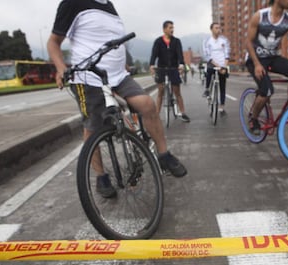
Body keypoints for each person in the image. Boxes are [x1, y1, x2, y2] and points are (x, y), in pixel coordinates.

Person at [47, 0, 187, 198]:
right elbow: (53, 42)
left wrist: (124, 63)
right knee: (93, 127)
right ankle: (101, 176)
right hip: (88, 77)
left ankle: (163, 155)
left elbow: (114, 40)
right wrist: (61, 69)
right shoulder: (73, 3)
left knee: (147, 105)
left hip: (118, 76)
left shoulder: (109, 5)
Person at [245, 0, 288, 134]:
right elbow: (248, 42)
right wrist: (256, 64)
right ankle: (253, 118)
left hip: (273, 58)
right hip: (255, 59)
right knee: (267, 91)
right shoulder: (259, 16)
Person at [149, 21, 190, 123]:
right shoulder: (158, 41)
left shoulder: (176, 41)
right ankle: (156, 116)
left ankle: (183, 112)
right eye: (170, 28)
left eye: (173, 28)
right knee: (160, 92)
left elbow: (180, 54)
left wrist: (181, 64)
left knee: (177, 92)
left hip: (173, 68)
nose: (172, 30)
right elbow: (154, 54)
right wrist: (152, 65)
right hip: (162, 69)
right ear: (164, 29)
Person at [202, 22, 231, 113]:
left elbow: (227, 54)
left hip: (222, 64)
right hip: (212, 63)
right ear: (211, 29)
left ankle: (222, 105)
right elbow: (207, 56)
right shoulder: (207, 41)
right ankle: (207, 89)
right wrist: (218, 66)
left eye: (219, 28)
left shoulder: (224, 40)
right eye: (216, 28)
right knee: (209, 70)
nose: (219, 30)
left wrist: (224, 66)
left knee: (222, 86)